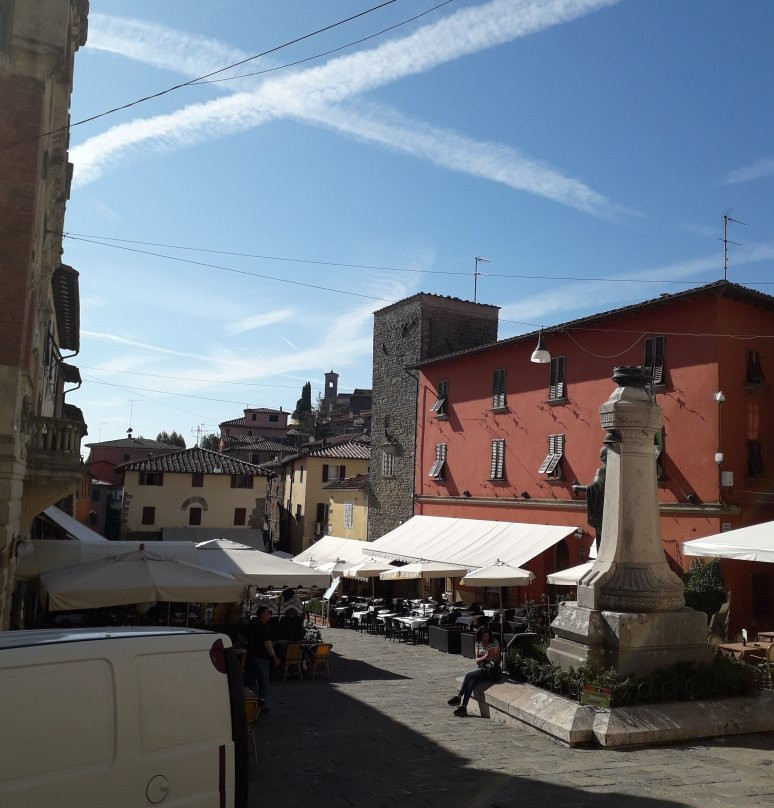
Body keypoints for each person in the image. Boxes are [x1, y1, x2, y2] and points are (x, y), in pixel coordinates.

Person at [447, 626, 501, 716]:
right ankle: (464, 707)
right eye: (483, 637)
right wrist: (485, 657)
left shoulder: (494, 643)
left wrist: (493, 656)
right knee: (472, 681)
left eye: (487, 636)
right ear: (480, 637)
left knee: (468, 675)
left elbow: (498, 660)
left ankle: (459, 697)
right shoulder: (478, 644)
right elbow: (477, 660)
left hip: (491, 670)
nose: (485, 638)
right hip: (482, 667)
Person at [242, 606, 280, 714]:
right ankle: (261, 705)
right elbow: (267, 644)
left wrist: (248, 645)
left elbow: (241, 637)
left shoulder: (250, 625)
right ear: (262, 614)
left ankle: (249, 706)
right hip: (261, 659)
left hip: (250, 658)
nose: (269, 615)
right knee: (263, 683)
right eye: (268, 612)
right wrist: (274, 657)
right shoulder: (264, 627)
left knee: (249, 682)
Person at [572, 446, 607, 550]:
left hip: (602, 510)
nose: (600, 458)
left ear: (605, 457)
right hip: (614, 509)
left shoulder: (602, 471)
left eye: (602, 456)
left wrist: (577, 487)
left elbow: (595, 487)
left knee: (602, 542)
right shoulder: (619, 470)